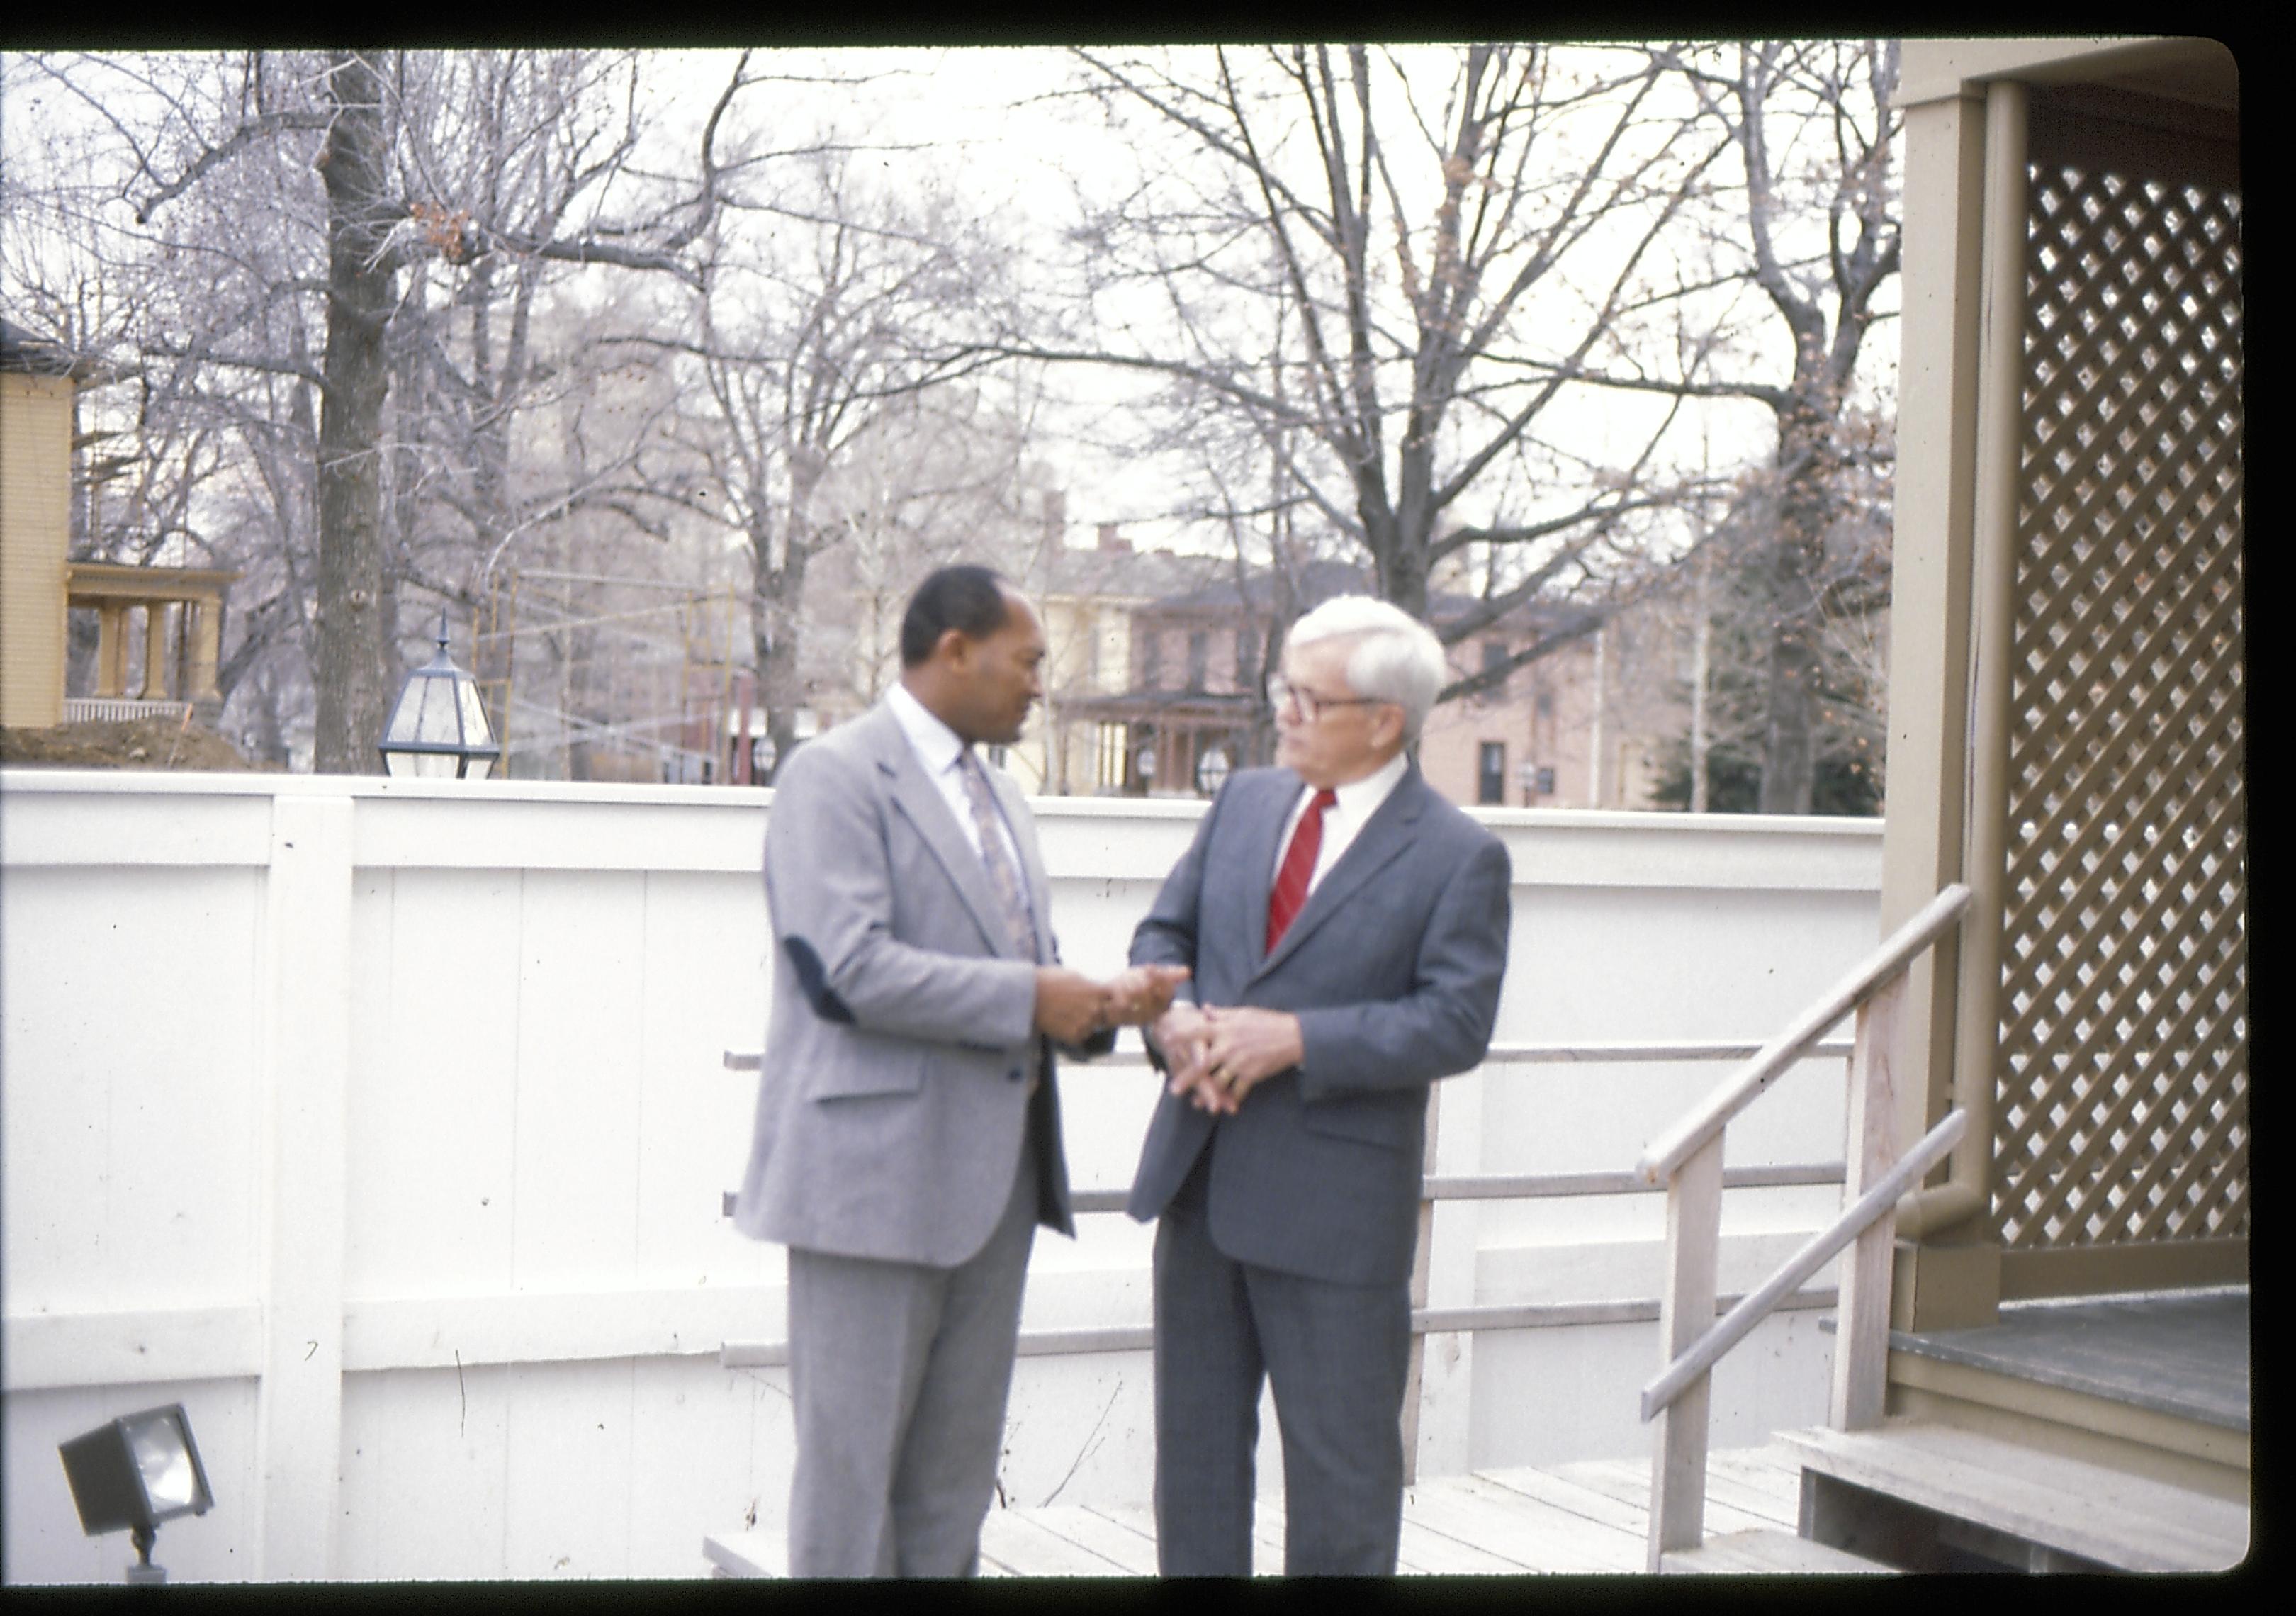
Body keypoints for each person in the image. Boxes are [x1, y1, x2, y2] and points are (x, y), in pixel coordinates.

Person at [733, 564, 1186, 1578]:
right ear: (955, 651)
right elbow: (842, 970)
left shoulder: (1002, 801)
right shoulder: (835, 776)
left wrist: (1102, 1008)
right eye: (1026, 662)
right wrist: (1036, 996)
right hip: (870, 1189)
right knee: (852, 1493)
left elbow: (1020, 966)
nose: (1038, 686)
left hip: (997, 1191)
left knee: (950, 1492)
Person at [1125, 594, 1512, 1576]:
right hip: (1201, 1191)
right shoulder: (1245, 802)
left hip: (1335, 1221)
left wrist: (1297, 1039)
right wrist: (1169, 1022)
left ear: (1384, 720)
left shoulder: (1458, 857)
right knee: (1197, 1477)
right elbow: (1163, 939)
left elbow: (1455, 1023)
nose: (1282, 713)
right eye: (1281, 690)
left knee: (1341, 1493)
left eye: (1306, 697)